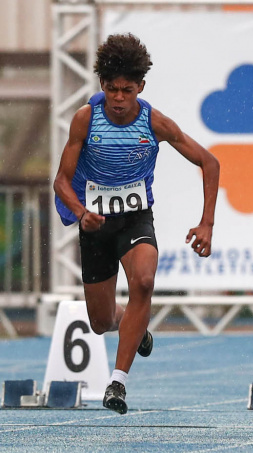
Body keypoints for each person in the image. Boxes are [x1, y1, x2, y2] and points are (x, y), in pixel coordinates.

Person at [53, 33, 219, 415]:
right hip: (95, 222)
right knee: (100, 322)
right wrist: (81, 213)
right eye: (111, 89)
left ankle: (118, 382)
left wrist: (207, 223)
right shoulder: (85, 119)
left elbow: (209, 163)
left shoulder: (154, 122)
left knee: (144, 281)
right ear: (101, 85)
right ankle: (135, 325)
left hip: (135, 218)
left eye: (127, 91)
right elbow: (61, 181)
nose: (118, 99)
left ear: (140, 87)